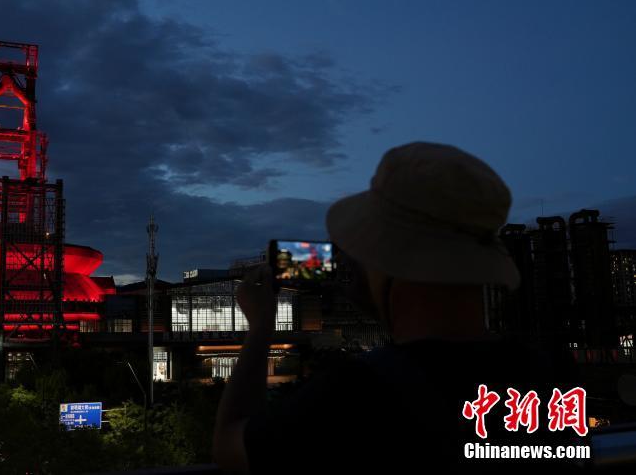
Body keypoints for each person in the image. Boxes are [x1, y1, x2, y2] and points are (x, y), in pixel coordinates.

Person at [213, 142, 581, 473]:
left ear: (388, 257)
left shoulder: (357, 393)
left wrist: (261, 325)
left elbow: (231, 446)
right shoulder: (545, 373)